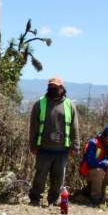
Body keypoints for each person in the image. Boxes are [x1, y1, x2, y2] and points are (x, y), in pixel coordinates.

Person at [27, 77, 79, 206]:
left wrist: (75, 146)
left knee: (58, 178)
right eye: (50, 87)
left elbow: (75, 127)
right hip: (43, 148)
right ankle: (35, 199)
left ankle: (54, 199)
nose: (52, 89)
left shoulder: (69, 105)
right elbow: (33, 127)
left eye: (55, 87)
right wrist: (32, 145)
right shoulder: (40, 104)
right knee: (40, 176)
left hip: (62, 149)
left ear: (62, 89)